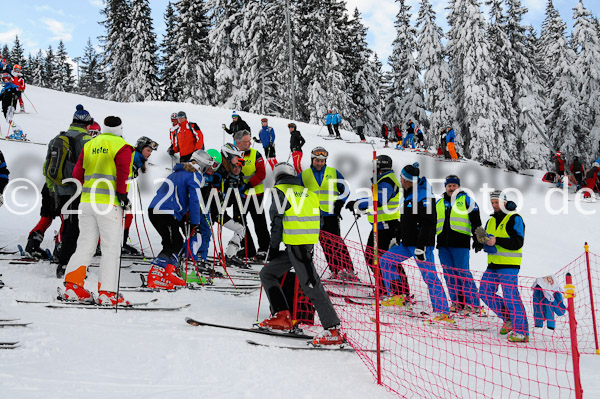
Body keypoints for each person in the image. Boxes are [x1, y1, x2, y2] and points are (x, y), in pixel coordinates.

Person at [258, 162, 344, 346]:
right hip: (301, 246)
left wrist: (273, 247)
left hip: (297, 247)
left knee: (311, 285)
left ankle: (333, 329)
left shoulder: (279, 191)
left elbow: (276, 221)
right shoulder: (309, 193)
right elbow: (320, 220)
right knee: (267, 273)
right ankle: (282, 315)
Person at [61, 116, 134, 306]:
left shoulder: (90, 144)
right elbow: (123, 174)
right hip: (109, 203)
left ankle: (73, 286)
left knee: (85, 244)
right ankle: (108, 292)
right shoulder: (122, 146)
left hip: (86, 202)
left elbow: (77, 174)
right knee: (111, 248)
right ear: (120, 128)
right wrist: (123, 196)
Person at [378, 163, 453, 324]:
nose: (400, 180)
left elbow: (429, 223)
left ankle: (442, 313)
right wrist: (398, 236)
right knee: (385, 261)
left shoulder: (424, 195)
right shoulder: (408, 193)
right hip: (406, 244)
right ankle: (397, 296)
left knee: (430, 277)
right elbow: (406, 219)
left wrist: (422, 246)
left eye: (402, 178)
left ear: (407, 180)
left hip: (420, 246)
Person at [146, 150, 209, 290]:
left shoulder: (176, 173)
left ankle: (168, 272)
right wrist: (195, 223)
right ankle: (154, 275)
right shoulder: (195, 175)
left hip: (158, 209)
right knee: (173, 243)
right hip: (166, 211)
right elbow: (194, 200)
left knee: (176, 241)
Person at [345, 155, 403, 296]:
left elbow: (379, 201)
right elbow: (375, 201)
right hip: (381, 225)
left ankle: (397, 292)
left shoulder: (387, 182)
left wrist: (359, 204)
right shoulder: (383, 180)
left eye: (374, 166)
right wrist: (361, 205)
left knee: (384, 259)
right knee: (374, 257)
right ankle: (385, 289)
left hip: (387, 226)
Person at [49, 105, 94, 278]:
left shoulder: (58, 138)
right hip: (78, 190)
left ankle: (65, 261)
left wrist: (54, 189)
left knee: (68, 224)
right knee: (76, 227)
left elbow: (48, 166)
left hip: (60, 189)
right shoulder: (86, 140)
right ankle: (68, 264)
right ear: (87, 124)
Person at [479, 190, 529, 342]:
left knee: (511, 297)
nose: (494, 205)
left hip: (509, 265)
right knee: (484, 292)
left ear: (505, 202)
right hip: (493, 264)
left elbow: (518, 243)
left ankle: (522, 332)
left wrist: (497, 241)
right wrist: (481, 242)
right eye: (492, 202)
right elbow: (490, 240)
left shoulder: (515, 218)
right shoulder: (491, 221)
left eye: (497, 202)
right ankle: (508, 318)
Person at [301, 147, 355, 279]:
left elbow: (346, 188)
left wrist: (340, 202)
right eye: (317, 160)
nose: (320, 163)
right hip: (314, 216)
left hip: (331, 214)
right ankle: (335, 271)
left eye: (322, 161)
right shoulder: (304, 175)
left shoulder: (333, 172)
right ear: (312, 159)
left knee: (337, 242)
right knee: (325, 244)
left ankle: (348, 270)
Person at [436, 175, 483, 314]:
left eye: (454, 186)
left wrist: (478, 238)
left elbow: (476, 220)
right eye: (449, 186)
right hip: (443, 244)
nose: (451, 188)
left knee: (463, 274)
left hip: (460, 244)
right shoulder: (438, 202)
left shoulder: (466, 200)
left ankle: (473, 304)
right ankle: (457, 303)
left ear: (459, 187)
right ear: (445, 187)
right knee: (449, 275)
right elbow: (432, 223)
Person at [234, 130, 270, 261]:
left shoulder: (256, 154)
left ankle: (265, 248)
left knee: (259, 222)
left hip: (255, 194)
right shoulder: (233, 154)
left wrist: (248, 185)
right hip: (239, 196)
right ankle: (248, 248)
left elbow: (261, 174)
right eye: (247, 141)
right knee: (240, 222)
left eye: (249, 140)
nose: (250, 143)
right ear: (239, 143)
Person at [120, 137, 158, 255]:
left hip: (121, 192)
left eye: (151, 151)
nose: (149, 154)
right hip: (115, 192)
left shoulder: (137, 159)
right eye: (148, 150)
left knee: (127, 216)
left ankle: (120, 243)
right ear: (141, 148)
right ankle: (116, 244)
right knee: (123, 217)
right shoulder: (133, 157)